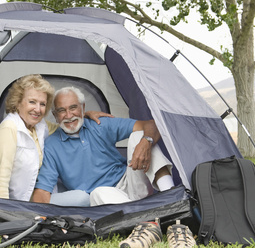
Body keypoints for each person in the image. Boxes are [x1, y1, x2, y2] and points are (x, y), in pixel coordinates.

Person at [31, 86, 175, 207]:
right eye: (62, 110)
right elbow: (43, 190)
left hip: (131, 181)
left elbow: (151, 125)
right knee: (97, 193)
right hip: (104, 198)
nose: (68, 115)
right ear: (55, 115)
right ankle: (145, 218)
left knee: (141, 137)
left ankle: (173, 199)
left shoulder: (101, 125)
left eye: (73, 108)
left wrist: (146, 142)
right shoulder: (51, 145)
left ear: (83, 108)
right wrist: (35, 217)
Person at [0, 75, 112, 201]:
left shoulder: (40, 125)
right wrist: (3, 215)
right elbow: (1, 180)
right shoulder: (9, 129)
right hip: (25, 201)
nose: (37, 109)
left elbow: (67, 124)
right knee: (83, 198)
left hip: (45, 187)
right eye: (32, 102)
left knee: (82, 187)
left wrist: (83, 114)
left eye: (42, 104)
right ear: (17, 102)